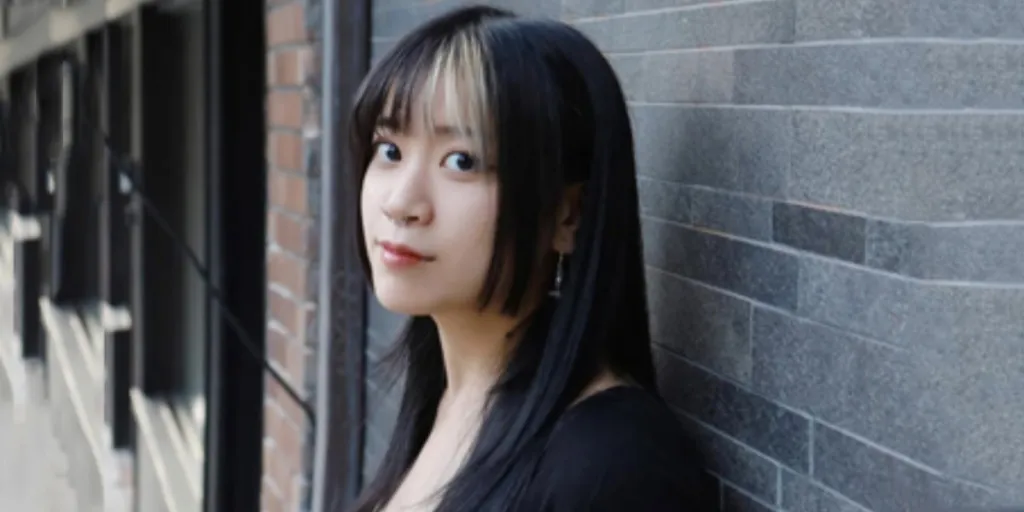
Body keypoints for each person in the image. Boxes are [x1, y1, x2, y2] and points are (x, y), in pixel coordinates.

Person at [347, 5, 715, 511]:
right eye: (389, 150)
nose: (401, 203)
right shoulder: (448, 393)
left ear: (567, 215)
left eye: (462, 161)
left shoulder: (613, 464)